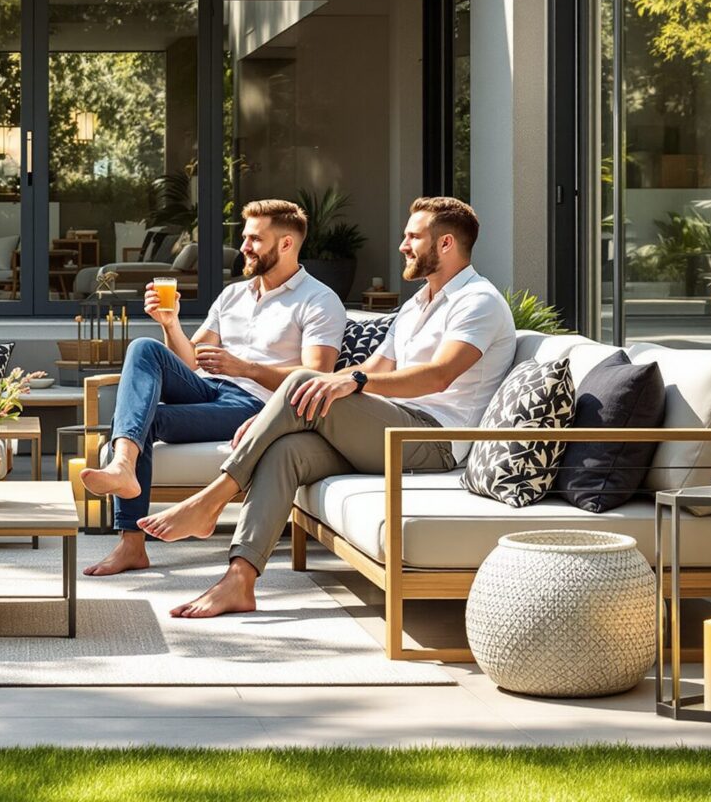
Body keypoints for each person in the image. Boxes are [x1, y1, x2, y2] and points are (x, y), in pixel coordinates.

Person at [140, 196, 517, 618]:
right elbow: (376, 366)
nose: (402, 246)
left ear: (446, 243)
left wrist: (347, 381)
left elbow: (438, 376)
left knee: (304, 379)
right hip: (388, 429)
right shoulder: (417, 304)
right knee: (286, 452)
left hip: (432, 439)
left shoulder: (478, 302)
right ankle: (239, 581)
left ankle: (212, 500)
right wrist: (276, 415)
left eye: (412, 237)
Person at [77, 199, 346, 577]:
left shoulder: (319, 300)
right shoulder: (233, 295)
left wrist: (248, 368)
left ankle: (130, 544)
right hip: (208, 388)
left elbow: (317, 374)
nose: (244, 247)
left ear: (286, 244)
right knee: (144, 348)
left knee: (149, 420)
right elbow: (188, 361)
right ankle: (122, 466)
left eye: (254, 239)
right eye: (245, 237)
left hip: (256, 407)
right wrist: (170, 324)